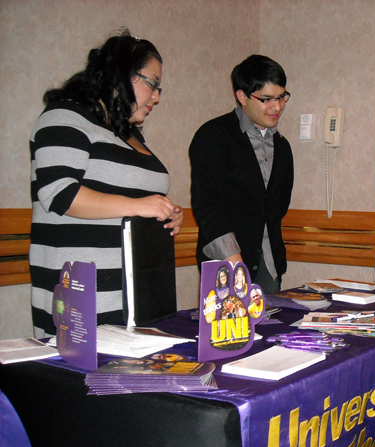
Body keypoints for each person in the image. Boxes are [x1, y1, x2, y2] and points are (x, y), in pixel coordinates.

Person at [29, 29, 183, 337]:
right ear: (120, 73)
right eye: (152, 83)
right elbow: (61, 194)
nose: (156, 96)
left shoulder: (129, 134)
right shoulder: (64, 116)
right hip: (85, 292)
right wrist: (140, 206)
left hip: (137, 290)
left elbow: (132, 199)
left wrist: (166, 212)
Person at [190, 55, 294, 294]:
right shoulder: (214, 136)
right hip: (225, 265)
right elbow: (207, 205)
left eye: (281, 97)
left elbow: (279, 206)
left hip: (269, 265)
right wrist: (235, 263)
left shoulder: (282, 146)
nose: (277, 107)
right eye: (266, 99)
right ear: (242, 96)